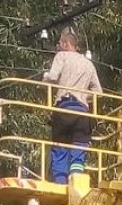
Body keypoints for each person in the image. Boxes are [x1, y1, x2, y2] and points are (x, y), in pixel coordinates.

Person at [42, 27, 103, 183]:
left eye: (60, 44)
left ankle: (61, 183)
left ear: (65, 44)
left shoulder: (62, 56)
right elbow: (99, 92)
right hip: (82, 113)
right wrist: (83, 96)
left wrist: (45, 79)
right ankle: (76, 182)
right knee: (78, 148)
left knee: (60, 148)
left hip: (64, 109)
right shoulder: (89, 64)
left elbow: (53, 76)